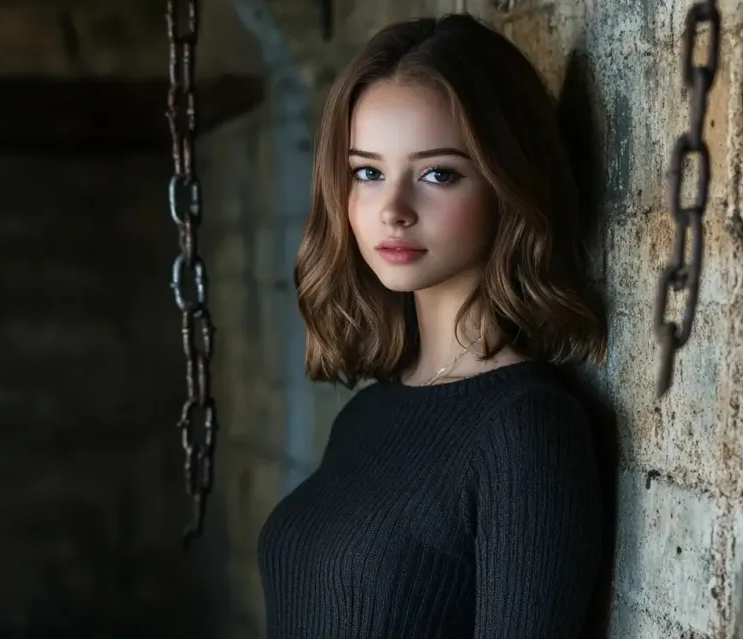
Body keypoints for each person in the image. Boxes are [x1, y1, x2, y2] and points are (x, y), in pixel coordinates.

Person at [257, 12, 607, 639]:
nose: (393, 210)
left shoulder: (524, 428)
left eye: (438, 174)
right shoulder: (366, 414)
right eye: (368, 172)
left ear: (509, 183)